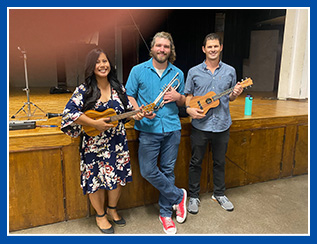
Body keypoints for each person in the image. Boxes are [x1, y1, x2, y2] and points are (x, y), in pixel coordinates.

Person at [61, 48, 144, 234]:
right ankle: (100, 215)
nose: (102, 65)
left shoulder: (119, 88)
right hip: (94, 144)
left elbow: (127, 112)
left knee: (117, 177)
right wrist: (93, 123)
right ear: (91, 66)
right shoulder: (84, 90)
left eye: (105, 61)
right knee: (96, 180)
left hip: (117, 142)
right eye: (97, 62)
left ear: (110, 64)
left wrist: (139, 114)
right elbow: (69, 114)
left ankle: (112, 209)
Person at [125, 31, 187, 234]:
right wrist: (139, 110)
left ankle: (165, 214)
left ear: (171, 50)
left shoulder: (178, 73)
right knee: (148, 171)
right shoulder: (138, 70)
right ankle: (179, 196)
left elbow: (182, 101)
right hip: (148, 129)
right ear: (152, 48)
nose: (162, 49)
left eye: (166, 47)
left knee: (168, 171)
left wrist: (179, 96)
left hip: (172, 128)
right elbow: (130, 96)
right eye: (159, 46)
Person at [184, 33, 243, 214]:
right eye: (209, 47)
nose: (212, 49)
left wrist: (235, 93)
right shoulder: (193, 72)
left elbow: (230, 97)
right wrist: (189, 109)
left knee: (220, 162)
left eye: (216, 46)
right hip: (200, 125)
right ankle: (193, 196)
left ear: (221, 47)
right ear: (204, 49)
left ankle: (219, 194)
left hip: (222, 124)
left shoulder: (230, 71)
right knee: (196, 162)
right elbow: (188, 96)